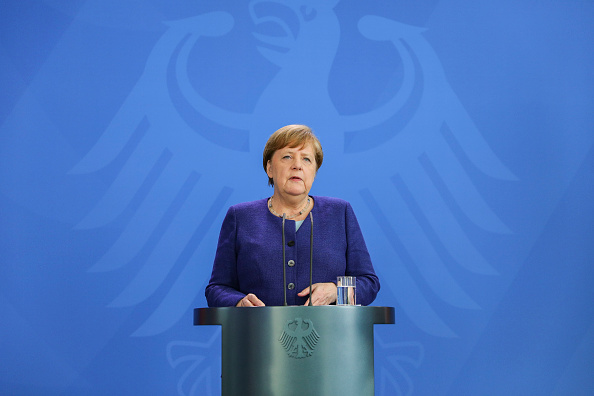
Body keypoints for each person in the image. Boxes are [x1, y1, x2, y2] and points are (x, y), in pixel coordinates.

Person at [205, 124, 380, 307]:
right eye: (287, 157)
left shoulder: (340, 213)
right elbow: (217, 289)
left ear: (314, 171)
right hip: (258, 332)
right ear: (270, 168)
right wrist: (238, 302)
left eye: (306, 159)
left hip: (329, 333)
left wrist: (336, 290)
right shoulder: (240, 217)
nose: (297, 166)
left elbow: (369, 283)